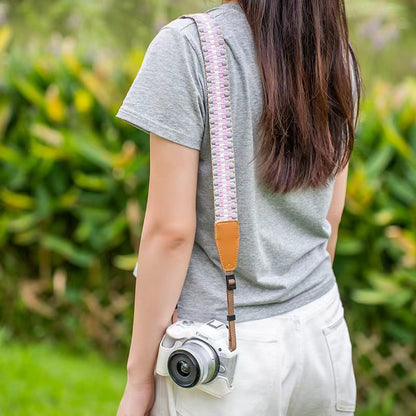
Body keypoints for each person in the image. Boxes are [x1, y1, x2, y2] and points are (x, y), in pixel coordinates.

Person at [115, 0, 361, 415]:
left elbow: (170, 233)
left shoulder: (190, 47)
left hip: (224, 355)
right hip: (323, 330)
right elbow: (330, 218)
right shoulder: (333, 55)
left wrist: (139, 381)